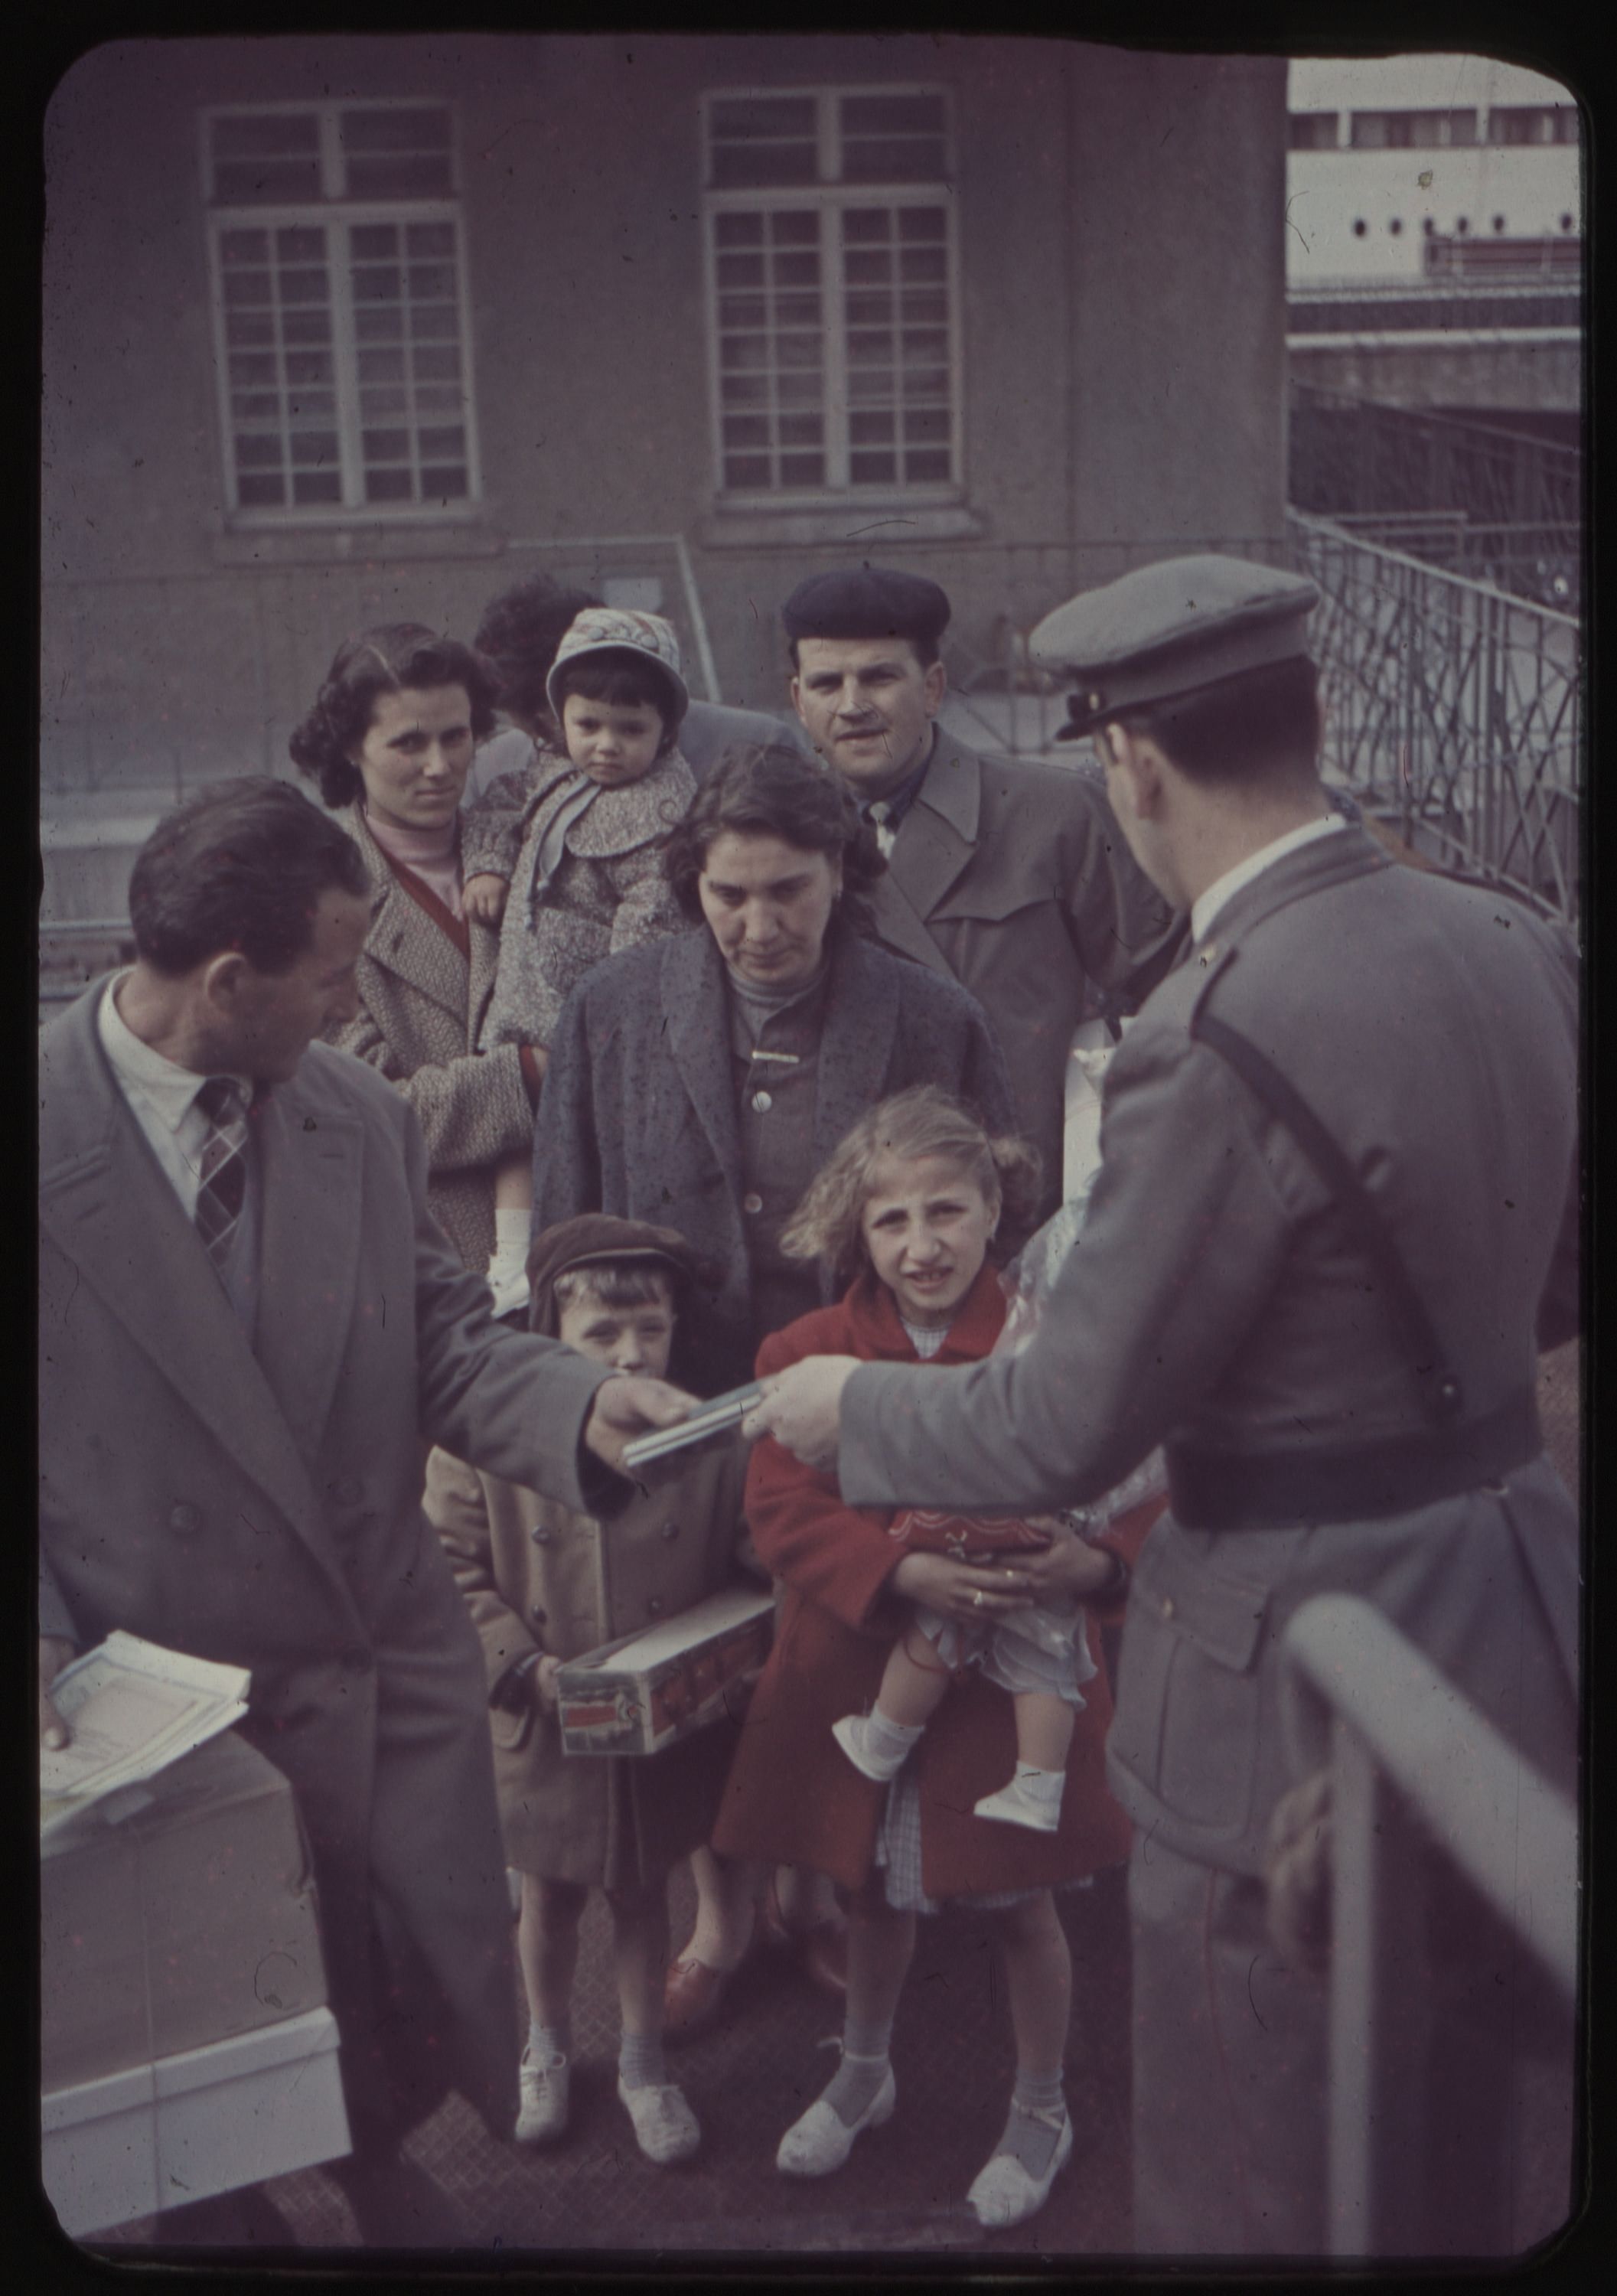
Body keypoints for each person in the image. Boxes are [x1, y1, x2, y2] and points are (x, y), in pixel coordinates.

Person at [746, 554, 1580, 2258]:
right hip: (1511, 1599)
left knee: (1264, 2143)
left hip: (1292, 1658)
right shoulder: (1512, 937)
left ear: (1125, 763)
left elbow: (1057, 1427)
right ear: (1315, 718)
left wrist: (849, 1407)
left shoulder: (1207, 1028)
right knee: (1489, 2133)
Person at [37, 781, 694, 2245]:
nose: (354, 1008)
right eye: (333, 977)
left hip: (360, 1650)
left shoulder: (348, 1113)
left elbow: (441, 1334)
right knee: (192, 2008)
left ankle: (370, 2157)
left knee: (382, 1961)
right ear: (227, 980)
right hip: (154, 1697)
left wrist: (573, 1407)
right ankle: (216, 2211)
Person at [531, 742, 1017, 2033]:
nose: (756, 924)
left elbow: (984, 1228)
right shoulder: (613, 1009)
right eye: (728, 894)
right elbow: (569, 1226)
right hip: (670, 1404)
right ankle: (718, 1914)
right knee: (692, 1649)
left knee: (831, 1645)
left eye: (788, 892)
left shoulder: (928, 1016)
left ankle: (816, 1892)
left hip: (851, 1402)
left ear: (841, 875)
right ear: (691, 882)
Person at [712, 1086, 1152, 2229]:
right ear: (855, 1231)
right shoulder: (805, 1351)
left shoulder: (1053, 1348)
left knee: (1019, 1906)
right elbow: (782, 1506)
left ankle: (1042, 2105)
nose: (921, 1246)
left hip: (1005, 1698)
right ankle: (864, 2070)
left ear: (996, 1207)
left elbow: (1145, 1491)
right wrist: (898, 1572)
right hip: (862, 1667)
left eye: (946, 1213)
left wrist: (1097, 1568)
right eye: (891, 1222)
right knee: (864, 1888)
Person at [425, 1215, 762, 2167]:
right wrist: (520, 1671)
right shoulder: (483, 1448)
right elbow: (448, 1571)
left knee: (643, 1893)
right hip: (540, 1720)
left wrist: (729, 1657)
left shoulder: (705, 1439)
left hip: (658, 1728)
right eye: (600, 1335)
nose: (630, 1353)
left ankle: (644, 2063)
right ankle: (545, 2047)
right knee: (547, 1900)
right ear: (549, 1336)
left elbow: (749, 1565)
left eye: (649, 1329)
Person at [781, 563, 1183, 1216]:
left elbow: (1172, 986)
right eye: (827, 683)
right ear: (799, 702)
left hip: (1019, 1203)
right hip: (856, 1213)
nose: (852, 705)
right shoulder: (778, 842)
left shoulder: (1052, 814)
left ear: (934, 686)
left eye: (880, 677)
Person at [458, 609, 697, 1315]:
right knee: (514, 1127)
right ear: (561, 717)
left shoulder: (659, 814)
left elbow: (648, 921)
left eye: (631, 730)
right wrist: (489, 868)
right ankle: (508, 1261)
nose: (605, 748)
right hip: (523, 984)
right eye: (587, 725)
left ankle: (572, 1261)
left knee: (571, 1135)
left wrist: (613, 1014)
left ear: (666, 731)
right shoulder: (550, 772)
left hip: (580, 999)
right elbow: (499, 810)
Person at [288, 624, 541, 1288]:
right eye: (407, 743)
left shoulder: (530, 843)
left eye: (456, 736)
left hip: (570, 1247)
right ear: (350, 748)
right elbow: (366, 1115)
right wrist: (530, 1078)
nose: (439, 765)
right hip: (422, 1261)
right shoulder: (313, 897)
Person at [468, 571, 813, 802]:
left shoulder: (757, 747)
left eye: (544, 720)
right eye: (528, 730)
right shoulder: (498, 767)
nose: (542, 741)